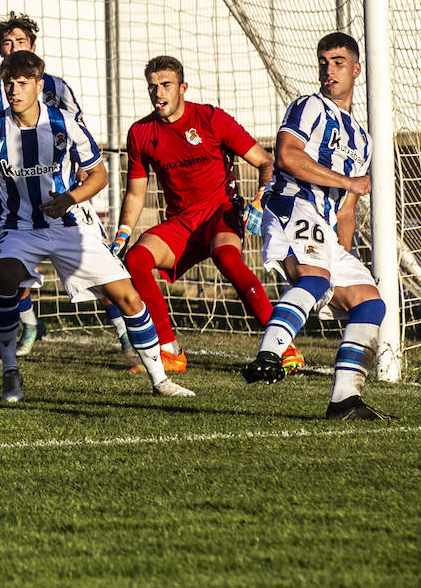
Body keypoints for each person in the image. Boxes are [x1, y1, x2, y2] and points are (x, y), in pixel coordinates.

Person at [0, 50, 194, 402]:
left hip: (71, 225)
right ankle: (10, 371)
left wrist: (70, 198)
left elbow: (98, 175)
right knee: (5, 277)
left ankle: (161, 380)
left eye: (22, 83)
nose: (14, 90)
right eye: (9, 84)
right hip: (19, 228)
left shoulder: (64, 122)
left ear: (39, 85)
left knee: (128, 297)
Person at [112, 55, 302, 374]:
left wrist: (259, 200)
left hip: (220, 212)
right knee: (136, 260)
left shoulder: (211, 118)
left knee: (228, 258)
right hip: (182, 223)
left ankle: (284, 348)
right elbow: (135, 192)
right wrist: (122, 235)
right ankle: (170, 352)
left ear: (183, 88)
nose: (158, 93)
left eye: (166, 85)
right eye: (152, 86)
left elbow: (266, 162)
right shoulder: (140, 133)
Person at [242, 33, 386, 420]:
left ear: (356, 69)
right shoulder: (309, 106)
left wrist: (343, 251)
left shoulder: (363, 139)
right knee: (317, 280)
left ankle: (344, 400)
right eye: (324, 62)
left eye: (338, 62)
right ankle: (270, 354)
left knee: (370, 303)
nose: (329, 69)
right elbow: (287, 156)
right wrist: (347, 183)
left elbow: (346, 211)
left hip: (323, 222)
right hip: (292, 205)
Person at [0, 12, 86, 358]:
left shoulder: (57, 86)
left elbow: (78, 127)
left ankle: (126, 335)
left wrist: (82, 170)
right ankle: (30, 323)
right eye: (6, 44)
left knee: (96, 266)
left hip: (62, 188)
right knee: (10, 266)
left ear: (32, 48)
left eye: (19, 42)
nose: (12, 48)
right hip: (16, 193)